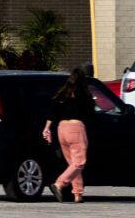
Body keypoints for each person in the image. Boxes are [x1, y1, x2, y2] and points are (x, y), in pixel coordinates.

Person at [44, 67, 95, 203]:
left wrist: (46, 129)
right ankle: (59, 184)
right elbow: (91, 114)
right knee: (79, 162)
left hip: (61, 129)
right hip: (76, 128)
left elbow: (52, 113)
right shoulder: (84, 94)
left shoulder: (62, 94)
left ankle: (78, 194)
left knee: (73, 164)